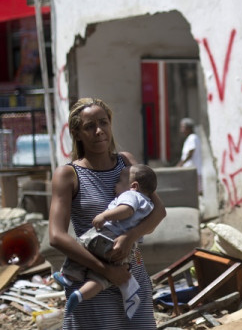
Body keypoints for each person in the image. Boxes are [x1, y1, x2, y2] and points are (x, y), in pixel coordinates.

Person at [49, 98, 166, 329]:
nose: (99, 131)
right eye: (89, 126)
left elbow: (158, 211)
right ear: (77, 133)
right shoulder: (68, 174)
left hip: (131, 274)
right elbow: (56, 235)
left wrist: (130, 237)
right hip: (90, 279)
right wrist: (106, 271)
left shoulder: (127, 164)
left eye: (103, 122)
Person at [53, 163, 158, 318]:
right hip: (125, 250)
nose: (115, 185)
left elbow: (126, 210)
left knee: (82, 245)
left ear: (133, 186)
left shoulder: (131, 195)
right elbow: (150, 226)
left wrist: (105, 216)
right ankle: (81, 294)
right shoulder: (148, 204)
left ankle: (68, 276)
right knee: (102, 278)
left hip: (108, 235)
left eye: (119, 181)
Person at [177, 118, 202, 193]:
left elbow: (190, 153)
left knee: (195, 192)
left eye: (183, 127)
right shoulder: (189, 138)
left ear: (189, 128)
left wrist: (181, 164)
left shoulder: (193, 138)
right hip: (190, 169)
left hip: (193, 170)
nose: (182, 130)